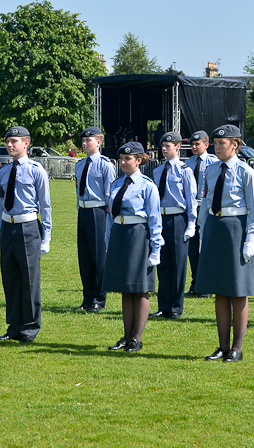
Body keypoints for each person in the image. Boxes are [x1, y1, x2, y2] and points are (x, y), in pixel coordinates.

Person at [196, 124, 254, 362]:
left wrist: (250, 239)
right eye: (215, 143)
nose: (217, 147)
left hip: (237, 227)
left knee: (238, 289)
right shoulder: (210, 170)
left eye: (222, 143)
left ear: (235, 145)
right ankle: (222, 346)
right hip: (215, 227)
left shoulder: (246, 172)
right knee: (219, 290)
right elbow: (206, 201)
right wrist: (203, 232)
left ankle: (237, 347)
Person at [0, 126, 51, 343]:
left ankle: (30, 327)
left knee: (29, 279)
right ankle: (13, 326)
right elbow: (1, 201)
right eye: (8, 141)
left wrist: (46, 236)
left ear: (26, 143)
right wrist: (1, 224)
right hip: (8, 227)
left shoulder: (37, 170)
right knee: (10, 278)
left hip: (28, 228)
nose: (10, 145)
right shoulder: (4, 171)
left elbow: (45, 206)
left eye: (14, 141)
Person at [103, 141, 162, 352]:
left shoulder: (147, 185)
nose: (124, 162)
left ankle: (137, 337)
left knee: (140, 288)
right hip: (120, 235)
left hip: (138, 235)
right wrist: (109, 241)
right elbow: (111, 215)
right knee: (125, 289)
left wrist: (156, 249)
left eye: (128, 159)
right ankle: (126, 336)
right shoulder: (117, 184)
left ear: (139, 160)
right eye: (121, 159)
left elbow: (155, 218)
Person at [149, 132, 197, 319]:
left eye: (168, 145)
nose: (164, 148)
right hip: (162, 218)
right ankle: (163, 306)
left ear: (177, 147)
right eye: (162, 145)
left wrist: (191, 223)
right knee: (163, 264)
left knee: (178, 264)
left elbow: (191, 199)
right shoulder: (157, 170)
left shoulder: (185, 170)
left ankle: (176, 307)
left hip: (178, 218)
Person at [74, 126, 116, 312]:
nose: (85, 143)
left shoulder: (106, 165)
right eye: (83, 140)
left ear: (98, 143)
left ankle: (99, 299)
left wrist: (109, 219)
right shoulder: (79, 164)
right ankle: (87, 298)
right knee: (84, 257)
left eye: (88, 140)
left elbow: (110, 194)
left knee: (99, 257)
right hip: (83, 211)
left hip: (99, 212)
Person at [184, 130, 219, 298]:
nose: (194, 147)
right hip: (191, 208)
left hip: (207, 207)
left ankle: (207, 285)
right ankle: (196, 283)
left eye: (197, 144)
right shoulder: (188, 163)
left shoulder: (214, 162)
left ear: (206, 145)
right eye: (192, 144)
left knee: (206, 246)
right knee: (192, 248)